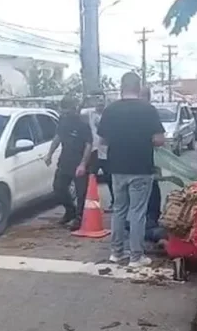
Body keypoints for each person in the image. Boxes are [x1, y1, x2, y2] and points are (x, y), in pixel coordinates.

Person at [98, 72, 165, 266]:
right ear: (138, 87)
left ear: (121, 87)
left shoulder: (110, 110)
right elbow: (159, 139)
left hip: (116, 168)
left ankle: (116, 252)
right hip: (141, 167)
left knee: (119, 210)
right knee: (137, 212)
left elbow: (102, 140)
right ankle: (136, 256)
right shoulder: (148, 110)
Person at [44, 96, 92, 231]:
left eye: (67, 112)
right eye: (63, 112)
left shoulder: (83, 124)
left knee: (81, 192)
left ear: (73, 109)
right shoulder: (63, 121)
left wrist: (83, 164)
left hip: (79, 161)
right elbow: (57, 137)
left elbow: (89, 145)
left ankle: (79, 218)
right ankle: (70, 210)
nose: (64, 114)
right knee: (58, 187)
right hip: (65, 160)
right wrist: (49, 154)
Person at [85, 94, 114, 211]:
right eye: (98, 102)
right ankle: (88, 204)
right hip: (94, 150)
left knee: (109, 178)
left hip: (107, 151)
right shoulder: (89, 114)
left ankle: (115, 202)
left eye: (102, 102)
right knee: (91, 177)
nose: (100, 104)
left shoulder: (109, 115)